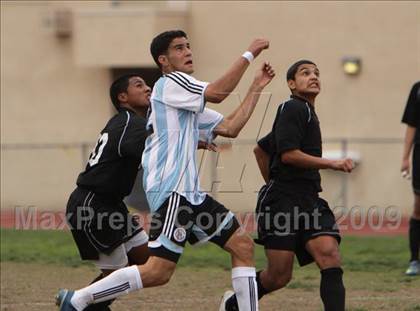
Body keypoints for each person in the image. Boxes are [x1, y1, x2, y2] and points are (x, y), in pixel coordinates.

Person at [56, 30, 274, 311]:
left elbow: (231, 127)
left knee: (242, 246)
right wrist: (249, 54)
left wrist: (256, 86)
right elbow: (218, 93)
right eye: (179, 48)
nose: (188, 52)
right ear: (164, 60)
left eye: (188, 46)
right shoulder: (169, 83)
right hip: (172, 192)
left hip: (191, 195)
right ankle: (79, 299)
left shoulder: (183, 97)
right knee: (158, 271)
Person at [220, 60, 354, 311]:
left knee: (330, 255)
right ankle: (233, 304)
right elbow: (288, 155)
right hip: (283, 202)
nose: (313, 76)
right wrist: (330, 164)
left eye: (317, 72)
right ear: (291, 84)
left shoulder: (305, 112)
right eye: (305, 73)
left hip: (310, 199)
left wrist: (273, 179)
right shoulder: (292, 107)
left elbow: (261, 149)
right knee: (279, 276)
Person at [62, 74, 152, 311]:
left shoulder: (130, 123)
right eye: (139, 85)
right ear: (123, 97)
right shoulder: (129, 123)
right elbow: (154, 149)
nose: (148, 87)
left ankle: (82, 303)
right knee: (119, 275)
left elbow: (155, 145)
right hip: (92, 204)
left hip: (111, 204)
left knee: (146, 261)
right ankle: (80, 304)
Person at [401, 81, 420, 276]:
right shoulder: (417, 89)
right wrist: (405, 157)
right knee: (418, 208)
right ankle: (415, 260)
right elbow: (411, 125)